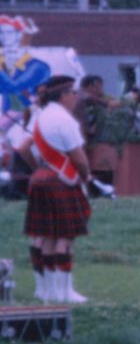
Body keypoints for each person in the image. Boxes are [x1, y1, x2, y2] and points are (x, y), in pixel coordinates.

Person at [21, 76, 91, 305]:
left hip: (41, 178)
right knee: (66, 236)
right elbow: (79, 158)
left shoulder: (41, 116)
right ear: (63, 95)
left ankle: (48, 291)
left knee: (46, 236)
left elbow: (22, 148)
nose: (76, 97)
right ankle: (65, 291)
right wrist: (86, 176)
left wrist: (40, 169)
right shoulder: (65, 120)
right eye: (73, 93)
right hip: (62, 181)